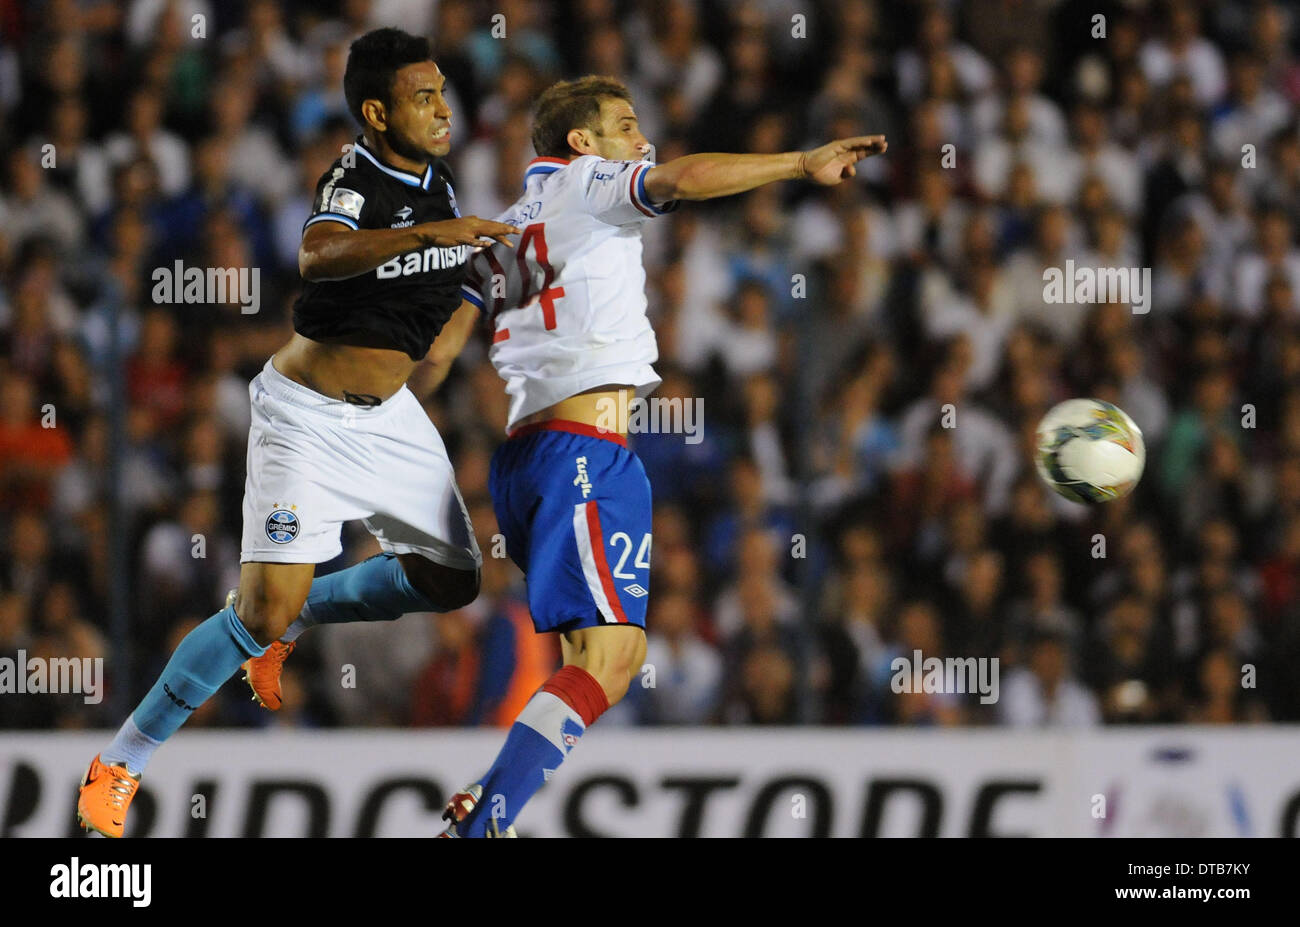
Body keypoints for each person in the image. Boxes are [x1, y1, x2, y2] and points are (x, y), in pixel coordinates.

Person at [75, 27, 517, 838]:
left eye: (444, 91)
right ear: (378, 113)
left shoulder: (441, 182)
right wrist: (431, 239)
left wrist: (472, 310)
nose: (444, 108)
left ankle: (300, 614)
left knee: (453, 579)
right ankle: (120, 763)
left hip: (389, 418)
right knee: (258, 610)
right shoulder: (355, 175)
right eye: (425, 97)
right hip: (305, 417)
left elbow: (444, 294)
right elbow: (321, 257)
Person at [436, 75, 886, 836]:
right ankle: (483, 819)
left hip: (526, 458)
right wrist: (799, 164)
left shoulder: (501, 227)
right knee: (613, 658)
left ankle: (487, 803)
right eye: (625, 125)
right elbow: (679, 178)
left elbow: (442, 350)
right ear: (581, 143)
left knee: (592, 657)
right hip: (584, 450)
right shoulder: (588, 183)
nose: (642, 141)